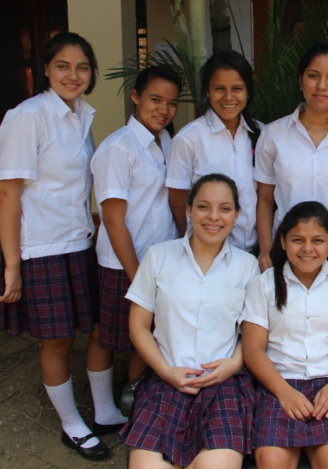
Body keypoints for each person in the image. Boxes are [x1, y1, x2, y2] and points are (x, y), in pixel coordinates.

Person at [0, 32, 121, 460]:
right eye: (63, 66)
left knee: (99, 328)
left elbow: (74, 186)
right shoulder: (28, 116)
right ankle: (72, 425)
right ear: (45, 69)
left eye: (82, 67)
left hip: (79, 241)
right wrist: (13, 264)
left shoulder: (80, 115)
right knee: (59, 339)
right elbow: (7, 192)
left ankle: (104, 410)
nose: (73, 75)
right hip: (42, 247)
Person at [120, 173, 260, 469]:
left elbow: (252, 335)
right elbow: (138, 326)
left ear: (236, 215)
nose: (214, 217)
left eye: (225, 208)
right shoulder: (158, 256)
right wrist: (166, 372)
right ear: (188, 210)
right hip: (165, 383)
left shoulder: (247, 266)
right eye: (203, 206)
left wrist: (233, 365)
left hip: (224, 388)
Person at [241, 201, 328, 469]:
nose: (308, 249)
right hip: (277, 384)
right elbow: (252, 348)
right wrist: (284, 392)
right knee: (271, 461)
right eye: (298, 240)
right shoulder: (264, 284)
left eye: (317, 240)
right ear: (283, 241)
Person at [90, 65, 182, 382]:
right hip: (125, 262)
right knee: (107, 336)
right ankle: (103, 406)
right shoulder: (119, 147)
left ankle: (140, 404)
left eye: (172, 103)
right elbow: (112, 220)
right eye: (155, 100)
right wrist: (137, 278)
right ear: (135, 96)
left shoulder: (168, 141)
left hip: (161, 259)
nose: (163, 110)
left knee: (145, 341)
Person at [255, 44, 328, 271]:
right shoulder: (273, 134)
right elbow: (266, 198)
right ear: (301, 80)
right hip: (287, 251)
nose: (321, 86)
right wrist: (266, 249)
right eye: (313, 76)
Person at [167, 50, 262, 252]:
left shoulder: (262, 134)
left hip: (258, 251)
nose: (228, 97)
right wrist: (197, 247)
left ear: (248, 91)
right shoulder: (188, 139)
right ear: (207, 91)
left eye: (237, 88)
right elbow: (177, 201)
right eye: (219, 89)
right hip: (209, 252)